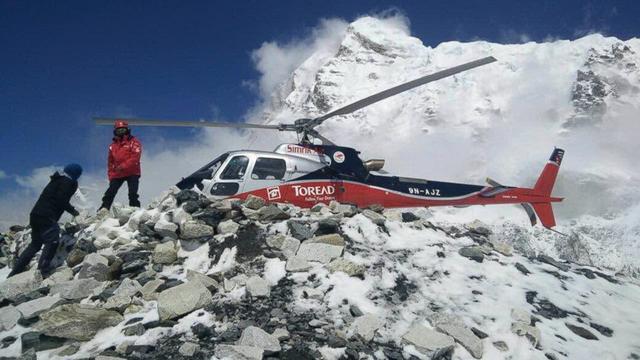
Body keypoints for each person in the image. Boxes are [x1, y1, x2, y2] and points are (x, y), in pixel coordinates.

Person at [8, 164, 82, 277]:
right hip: (47, 215)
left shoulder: (57, 180)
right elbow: (60, 199)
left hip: (36, 215)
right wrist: (74, 212)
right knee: (52, 241)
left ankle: (14, 273)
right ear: (76, 174)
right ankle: (42, 271)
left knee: (35, 245)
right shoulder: (67, 182)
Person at [99, 120, 142, 211]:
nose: (121, 132)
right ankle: (104, 209)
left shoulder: (134, 142)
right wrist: (111, 176)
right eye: (118, 130)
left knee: (133, 193)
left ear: (127, 130)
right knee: (110, 192)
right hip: (118, 174)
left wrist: (123, 166)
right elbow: (110, 162)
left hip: (132, 172)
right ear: (115, 132)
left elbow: (135, 157)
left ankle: (135, 210)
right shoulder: (112, 146)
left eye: (123, 130)